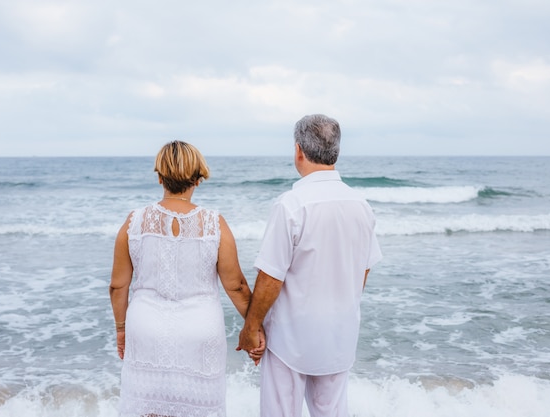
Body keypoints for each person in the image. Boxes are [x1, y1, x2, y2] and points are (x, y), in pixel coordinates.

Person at [237, 114, 382, 417]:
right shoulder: (361, 205)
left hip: (291, 336)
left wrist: (251, 327)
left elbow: (270, 278)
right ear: (336, 152)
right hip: (340, 333)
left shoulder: (291, 204)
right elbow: (363, 271)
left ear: (298, 150)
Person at [110, 140, 265, 417]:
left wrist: (122, 329)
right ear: (198, 178)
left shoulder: (134, 222)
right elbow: (236, 285)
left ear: (159, 177)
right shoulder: (214, 223)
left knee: (148, 409)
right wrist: (256, 327)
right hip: (200, 331)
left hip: (146, 329)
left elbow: (118, 285)